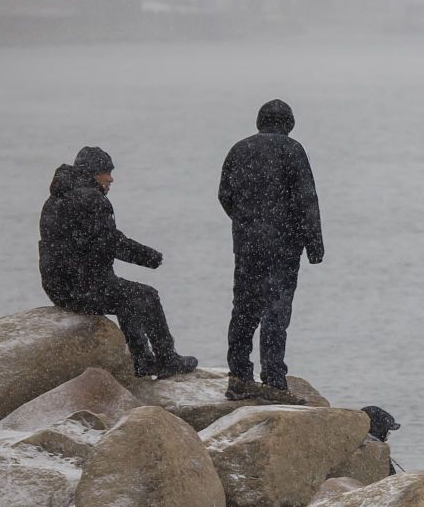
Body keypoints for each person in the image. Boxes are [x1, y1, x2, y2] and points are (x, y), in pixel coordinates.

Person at [38, 146, 197, 379]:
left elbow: (89, 244)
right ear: (94, 173)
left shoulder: (55, 198)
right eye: (107, 172)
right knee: (147, 296)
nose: (111, 179)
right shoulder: (91, 199)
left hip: (58, 286)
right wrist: (149, 257)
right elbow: (111, 242)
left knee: (127, 298)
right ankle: (166, 359)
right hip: (82, 286)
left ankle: (143, 361)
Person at [219, 99, 323, 405]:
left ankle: (239, 376)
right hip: (283, 246)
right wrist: (314, 244)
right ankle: (274, 380)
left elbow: (224, 194)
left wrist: (246, 222)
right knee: (275, 311)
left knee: (244, 308)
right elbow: (307, 199)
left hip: (247, 246)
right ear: (288, 124)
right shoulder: (293, 150)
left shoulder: (239, 149)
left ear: (260, 122)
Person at [361, 405, 401, 475]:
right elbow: (391, 477)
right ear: (380, 429)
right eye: (387, 431)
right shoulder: (378, 450)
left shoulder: (353, 444)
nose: (387, 436)